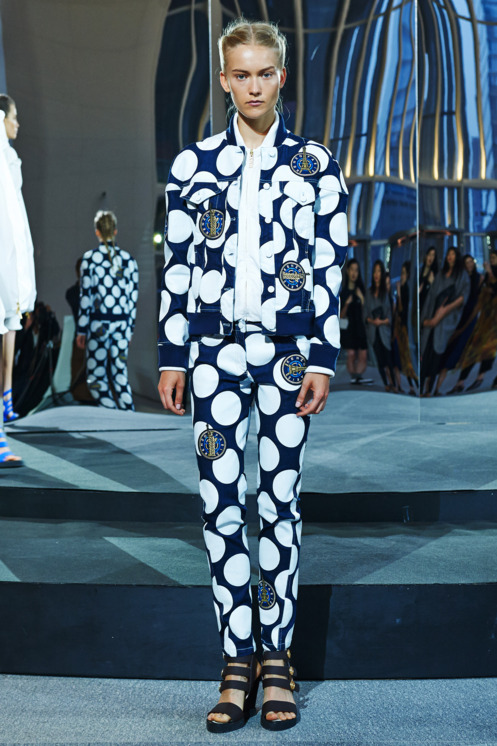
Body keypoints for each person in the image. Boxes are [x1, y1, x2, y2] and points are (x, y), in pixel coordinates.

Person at [157, 18, 348, 733]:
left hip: (288, 353)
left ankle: (278, 659)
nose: (253, 86)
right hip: (212, 353)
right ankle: (235, 662)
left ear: (281, 77)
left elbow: (329, 267)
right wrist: (172, 353)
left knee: (279, 502)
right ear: (224, 79)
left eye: (265, 73)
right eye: (241, 74)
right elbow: (177, 266)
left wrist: (323, 357)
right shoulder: (192, 166)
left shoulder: (316, 166)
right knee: (220, 506)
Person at [76, 211, 139, 410]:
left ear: (97, 232)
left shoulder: (90, 259)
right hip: (122, 324)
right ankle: (129, 414)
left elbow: (86, 297)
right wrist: (129, 329)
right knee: (120, 374)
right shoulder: (129, 260)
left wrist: (81, 329)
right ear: (115, 231)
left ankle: (112, 413)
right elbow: (132, 299)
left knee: (96, 377)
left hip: (99, 324)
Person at [0, 94, 37, 424]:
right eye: (13, 117)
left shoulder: (10, 157)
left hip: (10, 253)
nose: (18, 124)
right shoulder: (5, 158)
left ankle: (7, 396)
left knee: (10, 327)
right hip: (6, 254)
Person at [420, 246, 469, 396]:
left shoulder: (461, 275)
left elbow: (462, 298)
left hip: (446, 321)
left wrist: (443, 312)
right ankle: (421, 389)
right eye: (448, 254)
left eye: (453, 254)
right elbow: (431, 296)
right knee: (426, 353)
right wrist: (426, 319)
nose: (450, 256)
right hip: (432, 318)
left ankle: (429, 390)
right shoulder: (441, 274)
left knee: (436, 356)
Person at [364, 260, 394, 391]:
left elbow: (389, 317)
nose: (376, 274)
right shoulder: (368, 292)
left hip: (384, 332)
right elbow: (365, 315)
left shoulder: (385, 293)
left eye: (379, 271)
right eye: (375, 271)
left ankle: (393, 384)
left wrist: (380, 322)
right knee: (380, 360)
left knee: (388, 359)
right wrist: (372, 321)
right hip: (373, 332)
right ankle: (386, 384)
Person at [340, 258, 369, 384]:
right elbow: (341, 316)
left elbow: (367, 311)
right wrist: (347, 304)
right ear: (348, 271)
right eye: (352, 269)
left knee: (363, 355)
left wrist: (362, 298)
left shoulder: (361, 290)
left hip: (360, 327)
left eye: (356, 270)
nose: (354, 273)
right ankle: (354, 377)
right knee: (351, 354)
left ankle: (357, 377)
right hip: (348, 329)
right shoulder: (343, 292)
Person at [392, 261, 417, 395]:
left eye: (403, 273)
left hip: (403, 329)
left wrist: (399, 293)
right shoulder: (405, 286)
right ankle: (410, 385)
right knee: (403, 357)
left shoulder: (406, 288)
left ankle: (413, 385)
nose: (401, 276)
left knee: (406, 358)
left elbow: (402, 309)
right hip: (400, 327)